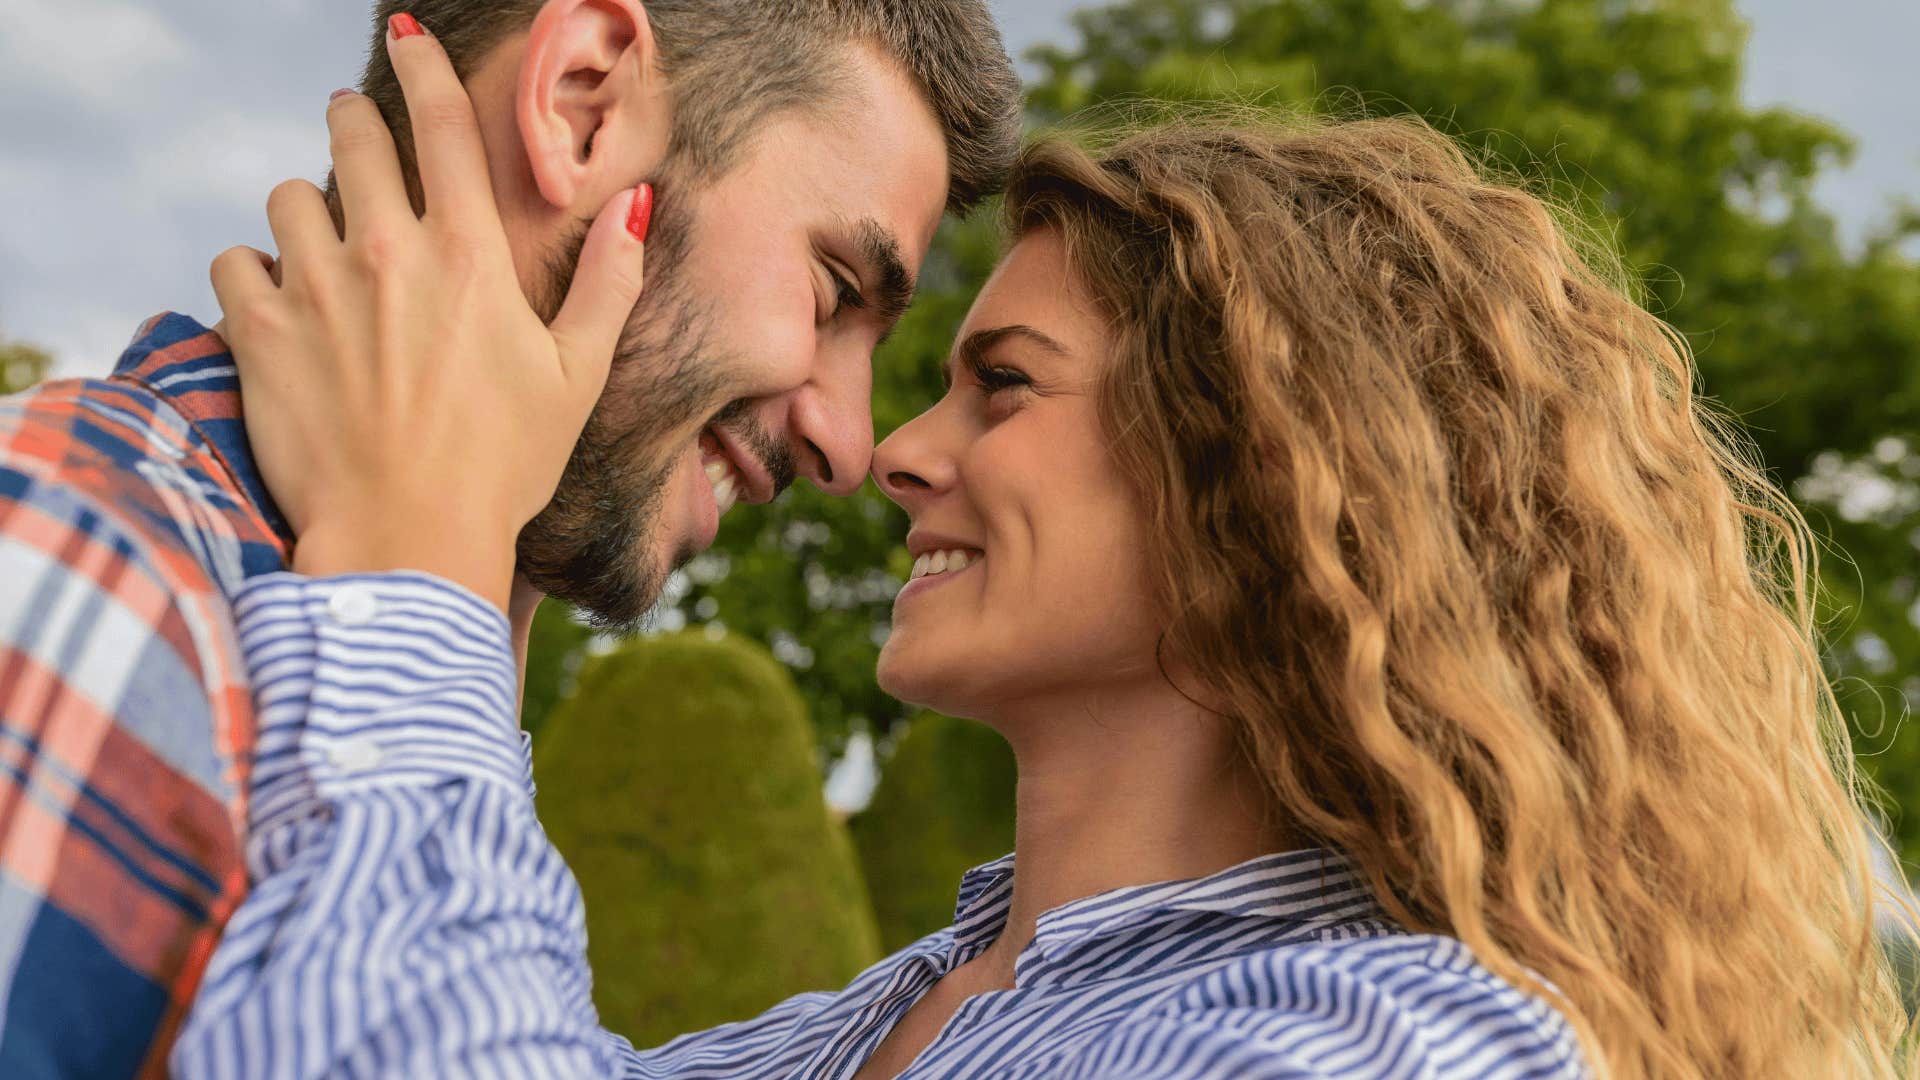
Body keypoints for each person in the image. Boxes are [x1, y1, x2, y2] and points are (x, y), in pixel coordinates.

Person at [170, 20, 1920, 1080]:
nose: (893, 452)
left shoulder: (1408, 1042)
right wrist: (491, 533)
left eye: (1001, 386)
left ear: (1265, 473)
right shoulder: (849, 1032)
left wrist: (414, 563)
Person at [0, 3, 1018, 1075]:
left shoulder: (367, 699)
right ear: (582, 107)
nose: (849, 445)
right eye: (833, 293)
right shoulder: (84, 572)